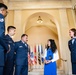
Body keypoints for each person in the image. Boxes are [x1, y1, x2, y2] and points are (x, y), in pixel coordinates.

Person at [0, 3, 9, 75]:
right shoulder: (1, 17)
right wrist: (6, 47)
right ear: (2, 11)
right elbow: (0, 35)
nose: (6, 13)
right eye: (6, 11)